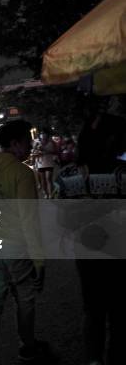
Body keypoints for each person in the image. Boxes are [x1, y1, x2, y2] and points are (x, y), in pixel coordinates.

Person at [0, 119, 45, 365]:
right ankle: (27, 347)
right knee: (24, 299)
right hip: (15, 246)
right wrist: (39, 259)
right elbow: (29, 220)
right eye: (27, 141)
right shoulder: (22, 173)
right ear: (14, 144)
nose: (30, 146)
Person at [74, 98, 126, 365]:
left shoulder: (73, 175)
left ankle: (94, 360)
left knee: (93, 310)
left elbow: (63, 217)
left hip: (87, 249)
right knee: (118, 313)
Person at [33, 130, 57, 198]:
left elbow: (54, 151)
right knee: (43, 180)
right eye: (42, 135)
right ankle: (46, 193)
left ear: (47, 136)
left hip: (49, 163)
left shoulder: (51, 143)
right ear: (40, 136)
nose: (43, 136)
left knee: (48, 178)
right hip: (41, 164)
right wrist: (36, 150)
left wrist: (44, 150)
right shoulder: (38, 143)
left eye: (44, 135)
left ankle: (50, 194)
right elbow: (34, 152)